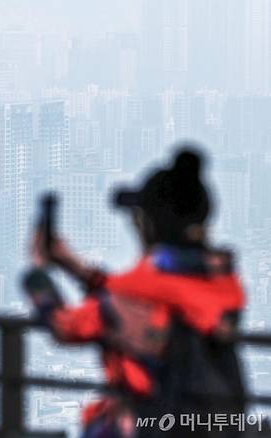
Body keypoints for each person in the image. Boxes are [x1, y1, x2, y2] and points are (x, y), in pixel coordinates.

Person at [26, 146, 248, 437]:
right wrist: (74, 266)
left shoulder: (131, 299)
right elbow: (150, 295)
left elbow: (65, 325)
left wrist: (38, 278)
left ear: (149, 226)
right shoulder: (222, 283)